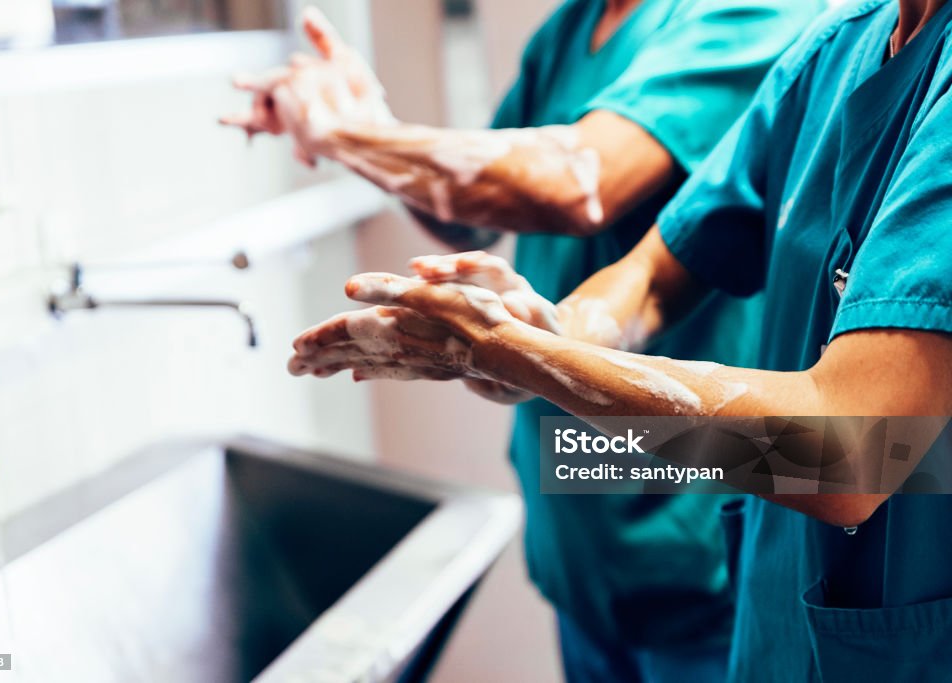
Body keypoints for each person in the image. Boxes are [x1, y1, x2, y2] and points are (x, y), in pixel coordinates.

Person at [290, 0, 952, 680]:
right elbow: (656, 272)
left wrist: (521, 353)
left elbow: (852, 449)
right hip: (761, 613)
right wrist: (550, 331)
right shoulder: (839, 46)